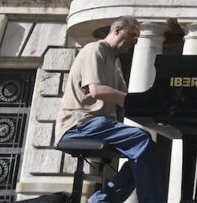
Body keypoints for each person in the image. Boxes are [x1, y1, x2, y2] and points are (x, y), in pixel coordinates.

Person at [55, 16, 159, 203]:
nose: (135, 40)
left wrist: (153, 108)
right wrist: (132, 102)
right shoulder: (94, 50)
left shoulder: (114, 61)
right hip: (80, 124)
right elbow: (96, 91)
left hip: (100, 124)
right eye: (132, 34)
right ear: (117, 30)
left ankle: (101, 201)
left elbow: (124, 98)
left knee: (145, 155)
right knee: (142, 140)